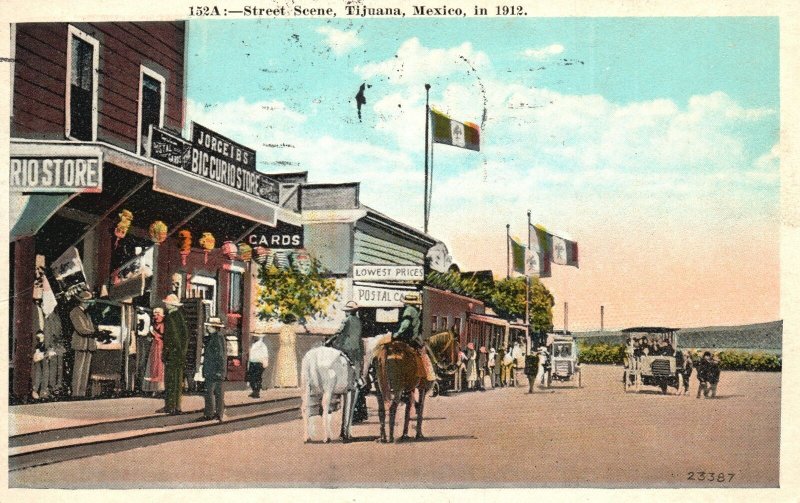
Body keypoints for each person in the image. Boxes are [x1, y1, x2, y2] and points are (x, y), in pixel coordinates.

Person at [392, 292, 436, 383]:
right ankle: (428, 376)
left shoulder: (409, 310)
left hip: (407, 337)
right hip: (415, 337)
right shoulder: (416, 310)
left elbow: (405, 324)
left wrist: (397, 333)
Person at [160, 294, 189, 415]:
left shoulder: (171, 317)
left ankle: (170, 406)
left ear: (171, 305)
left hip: (172, 354)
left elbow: (172, 338)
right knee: (177, 382)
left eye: (167, 303)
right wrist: (182, 351)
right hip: (179, 354)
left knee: (170, 381)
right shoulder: (180, 316)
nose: (165, 305)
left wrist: (166, 353)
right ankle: (176, 406)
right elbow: (185, 336)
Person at [327, 301, 364, 387]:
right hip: (357, 347)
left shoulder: (347, 320)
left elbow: (339, 332)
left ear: (350, 311)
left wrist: (329, 340)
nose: (345, 313)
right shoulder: (359, 321)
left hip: (346, 346)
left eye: (346, 311)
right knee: (356, 364)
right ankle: (358, 379)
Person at [69, 289, 98, 398]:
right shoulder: (75, 312)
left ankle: (82, 394)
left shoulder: (87, 314)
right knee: (78, 370)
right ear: (82, 302)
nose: (89, 304)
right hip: (80, 344)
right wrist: (95, 332)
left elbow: (89, 328)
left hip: (88, 345)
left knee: (85, 371)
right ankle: (75, 394)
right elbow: (81, 329)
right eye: (88, 302)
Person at [200, 317, 227, 421]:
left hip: (214, 370)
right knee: (217, 393)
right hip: (214, 370)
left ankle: (210, 413)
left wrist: (220, 371)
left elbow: (220, 356)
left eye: (209, 326)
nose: (207, 328)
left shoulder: (217, 338)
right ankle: (218, 413)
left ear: (215, 327)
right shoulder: (214, 337)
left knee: (210, 392)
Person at [142, 308, 165, 395]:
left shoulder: (162, 324)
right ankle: (154, 387)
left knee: (159, 365)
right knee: (153, 364)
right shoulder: (155, 323)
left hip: (160, 345)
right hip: (155, 345)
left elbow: (162, 335)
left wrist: (153, 333)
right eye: (154, 314)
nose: (156, 316)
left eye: (157, 314)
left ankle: (159, 388)